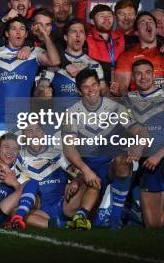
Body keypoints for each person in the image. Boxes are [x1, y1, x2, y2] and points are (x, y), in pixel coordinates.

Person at [61, 68, 148, 230]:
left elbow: (141, 130)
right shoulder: (71, 113)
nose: (91, 90)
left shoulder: (116, 108)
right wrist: (85, 171)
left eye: (94, 85)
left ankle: (116, 218)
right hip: (86, 169)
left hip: (109, 166)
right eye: (86, 87)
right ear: (79, 91)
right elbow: (69, 148)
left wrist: (138, 146)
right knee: (69, 211)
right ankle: (97, 213)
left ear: (100, 85)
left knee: (123, 161)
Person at [125, 59, 164, 229]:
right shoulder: (128, 100)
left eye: (147, 73)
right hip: (146, 163)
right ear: (132, 77)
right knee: (152, 224)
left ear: (154, 75)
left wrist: (158, 155)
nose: (143, 77)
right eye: (138, 73)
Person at [0, 16, 60, 123]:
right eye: (13, 29)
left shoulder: (34, 52)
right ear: (7, 33)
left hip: (24, 121)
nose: (18, 32)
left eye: (22, 29)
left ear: (26, 34)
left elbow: (55, 61)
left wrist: (44, 34)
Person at [18, 124, 89, 229]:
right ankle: (65, 225)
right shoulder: (18, 157)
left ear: (43, 134)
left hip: (63, 206)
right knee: (19, 214)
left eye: (38, 130)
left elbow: (81, 174)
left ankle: (80, 216)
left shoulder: (58, 154)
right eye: (29, 131)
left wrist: (76, 181)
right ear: (24, 137)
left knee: (89, 180)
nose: (34, 135)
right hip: (38, 211)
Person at [114, 12, 164, 96]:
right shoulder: (127, 56)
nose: (148, 24)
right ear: (136, 32)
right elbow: (121, 89)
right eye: (142, 23)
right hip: (140, 106)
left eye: (151, 22)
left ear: (156, 29)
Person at [36, 19, 105, 98]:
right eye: (74, 31)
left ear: (85, 37)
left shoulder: (94, 64)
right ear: (66, 37)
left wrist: (112, 93)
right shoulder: (54, 62)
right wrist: (42, 94)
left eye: (81, 32)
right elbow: (38, 91)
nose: (78, 35)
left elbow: (104, 92)